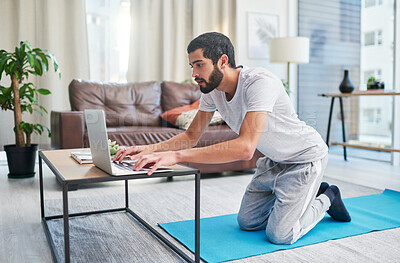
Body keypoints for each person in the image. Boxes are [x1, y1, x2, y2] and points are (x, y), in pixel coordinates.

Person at [113, 32, 351, 244]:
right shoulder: (212, 91)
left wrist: (176, 156)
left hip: (304, 158)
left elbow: (246, 147)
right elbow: (191, 136)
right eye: (191, 66)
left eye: (199, 65)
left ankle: (327, 197)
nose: (194, 74)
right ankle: (296, 196)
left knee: (280, 235)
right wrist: (147, 150)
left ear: (223, 61)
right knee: (248, 222)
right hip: (274, 161)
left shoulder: (259, 82)